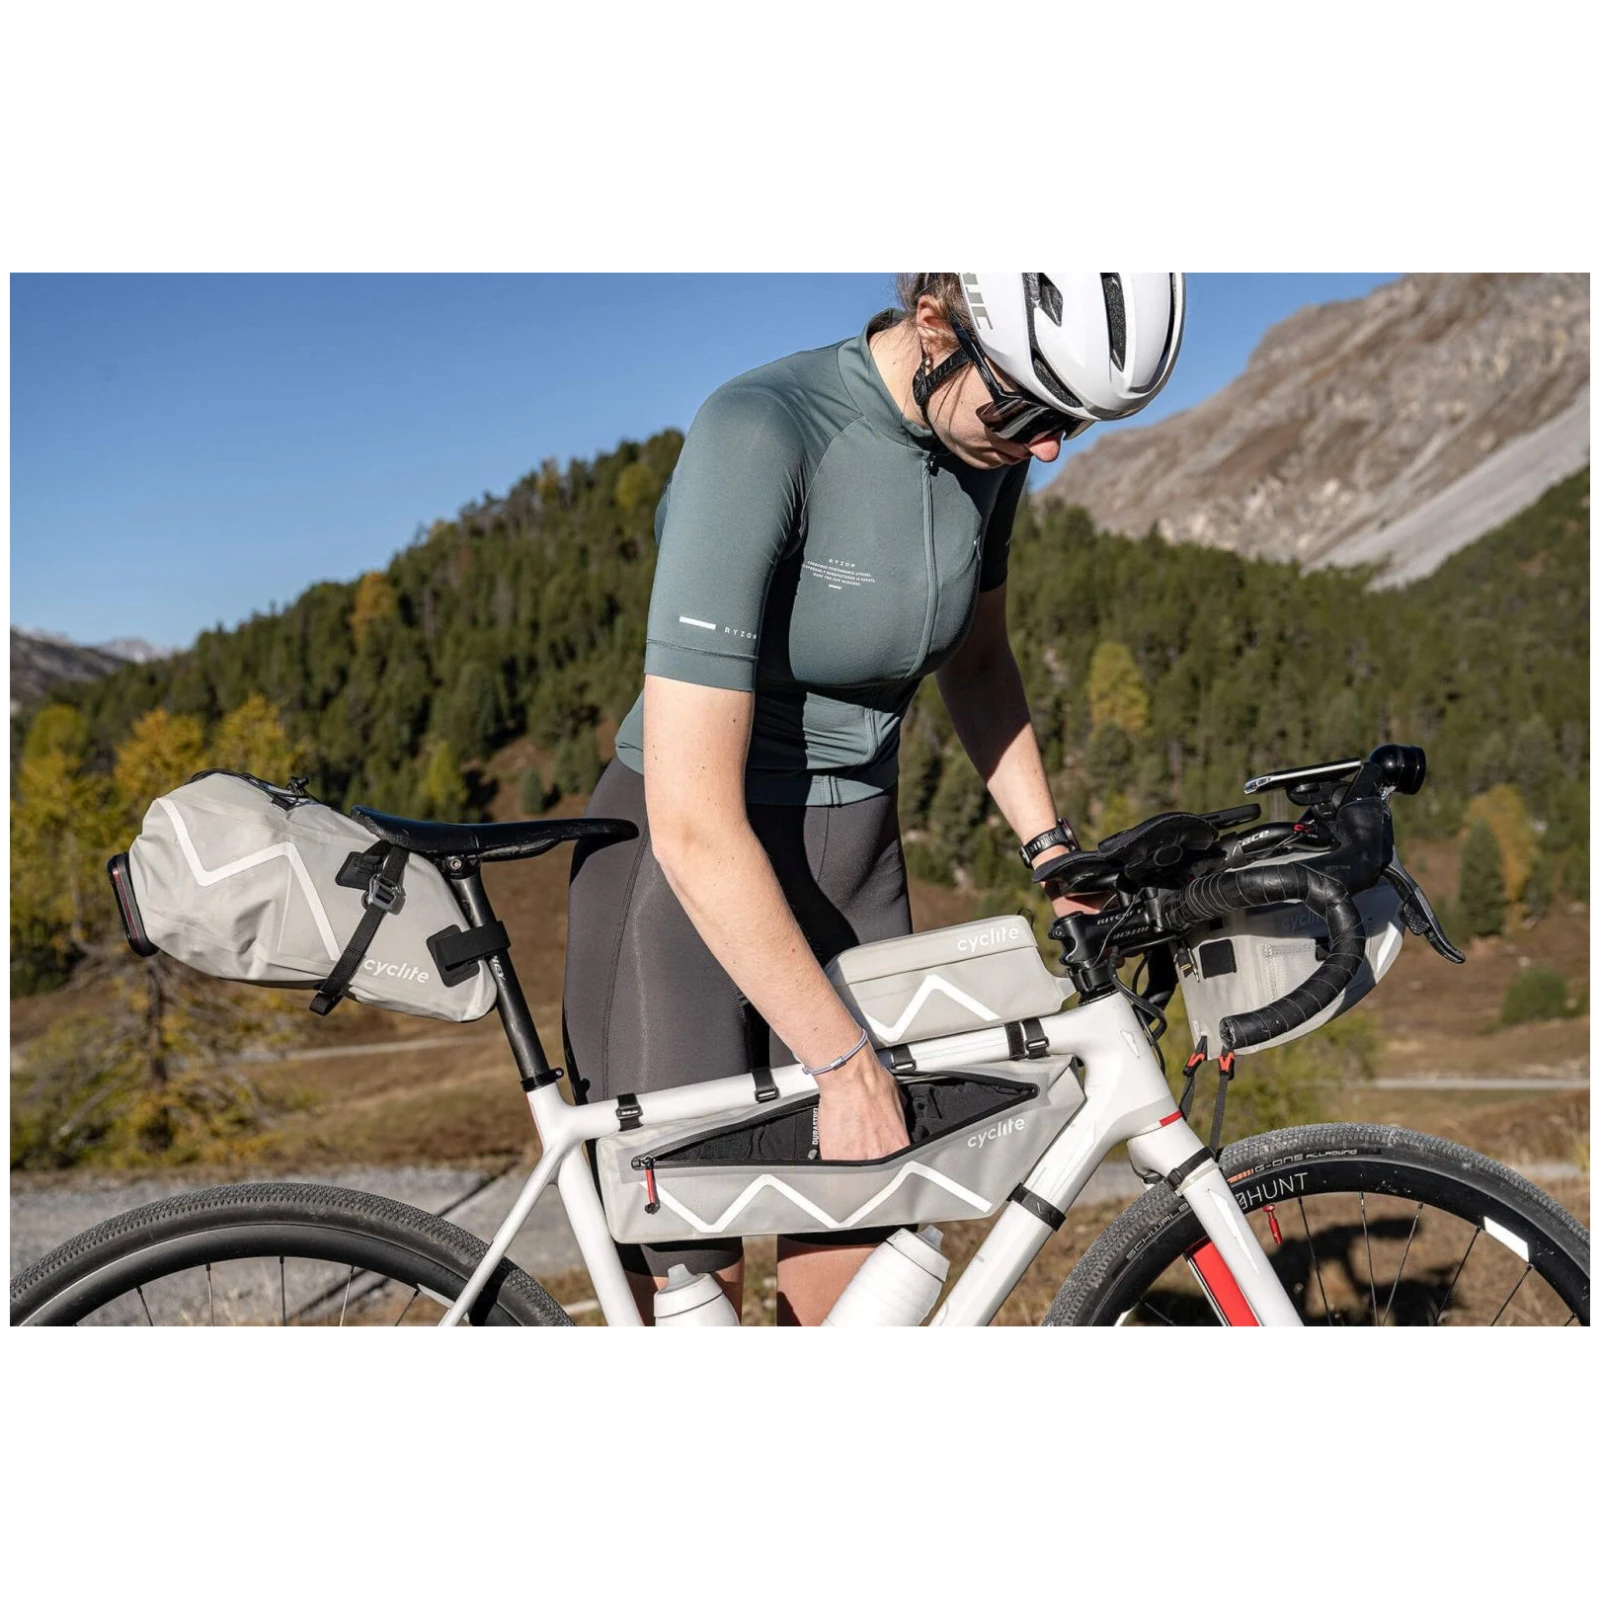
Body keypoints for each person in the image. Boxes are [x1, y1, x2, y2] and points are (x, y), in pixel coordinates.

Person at [563, 272, 1185, 1324]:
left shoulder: (983, 445)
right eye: (1029, 411)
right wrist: (844, 1064)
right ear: (936, 323)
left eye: (1071, 422)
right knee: (692, 1293)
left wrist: (1054, 854)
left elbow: (978, 663)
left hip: (855, 862)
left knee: (865, 1287)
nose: (1046, 448)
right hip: (686, 882)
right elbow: (693, 822)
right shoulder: (761, 432)